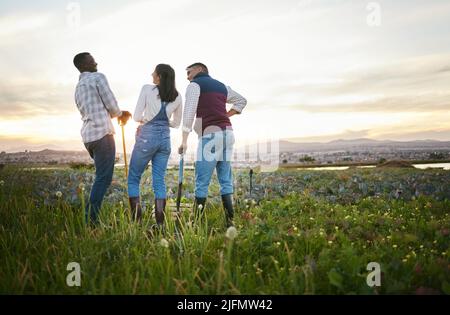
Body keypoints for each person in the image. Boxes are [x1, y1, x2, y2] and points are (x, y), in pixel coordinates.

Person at [178, 63, 247, 228]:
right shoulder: (222, 86)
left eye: (189, 72)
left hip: (210, 134)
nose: (187, 77)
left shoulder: (194, 85)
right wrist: (225, 115)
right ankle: (230, 222)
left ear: (200, 70)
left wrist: (184, 140)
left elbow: (188, 115)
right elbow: (241, 101)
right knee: (225, 180)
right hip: (228, 134)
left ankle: (198, 223)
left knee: (201, 181)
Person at [73, 52, 132, 225]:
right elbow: (111, 104)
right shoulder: (98, 77)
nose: (95, 62)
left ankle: (91, 217)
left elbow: (92, 110)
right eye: (92, 61)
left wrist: (117, 114)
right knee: (103, 178)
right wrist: (121, 114)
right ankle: (91, 220)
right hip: (102, 134)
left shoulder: (79, 87)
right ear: (84, 64)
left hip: (88, 137)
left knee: (101, 177)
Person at [128, 64, 182, 226]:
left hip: (147, 138)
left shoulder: (147, 89)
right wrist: (164, 121)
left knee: (133, 178)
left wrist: (147, 120)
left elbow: (137, 116)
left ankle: (137, 223)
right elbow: (176, 123)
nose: (151, 74)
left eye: (154, 72)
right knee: (159, 180)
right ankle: (160, 225)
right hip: (165, 139)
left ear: (159, 77)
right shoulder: (177, 96)